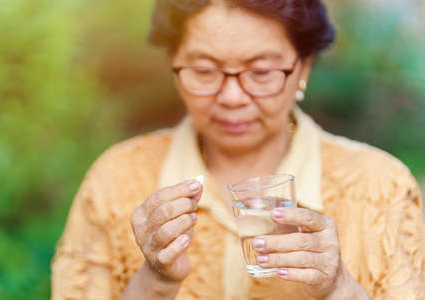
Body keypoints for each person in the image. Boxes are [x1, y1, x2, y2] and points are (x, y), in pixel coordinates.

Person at [51, 0, 425, 299]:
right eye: (204, 71)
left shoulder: (381, 188)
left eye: (261, 72)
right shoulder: (114, 180)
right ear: (173, 64)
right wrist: (155, 281)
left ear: (304, 67)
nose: (231, 97)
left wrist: (339, 288)